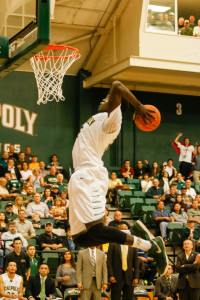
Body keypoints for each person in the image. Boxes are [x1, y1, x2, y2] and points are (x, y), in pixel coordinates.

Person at [68, 80, 168, 275]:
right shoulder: (100, 117)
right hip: (80, 175)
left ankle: (150, 246)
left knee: (95, 230)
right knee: (80, 238)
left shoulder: (113, 121)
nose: (105, 98)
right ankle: (136, 235)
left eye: (108, 99)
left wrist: (138, 107)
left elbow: (117, 86)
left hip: (89, 176)